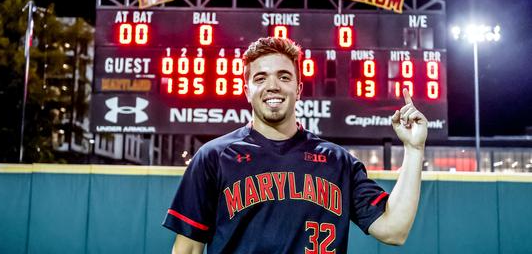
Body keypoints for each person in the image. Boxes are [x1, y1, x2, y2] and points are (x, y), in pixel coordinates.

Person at [162, 37, 428, 253]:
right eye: (260, 78)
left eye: (284, 77)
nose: (273, 86)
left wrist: (414, 150)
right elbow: (187, 249)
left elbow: (394, 230)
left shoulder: (338, 162)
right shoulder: (214, 157)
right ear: (246, 91)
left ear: (299, 89)